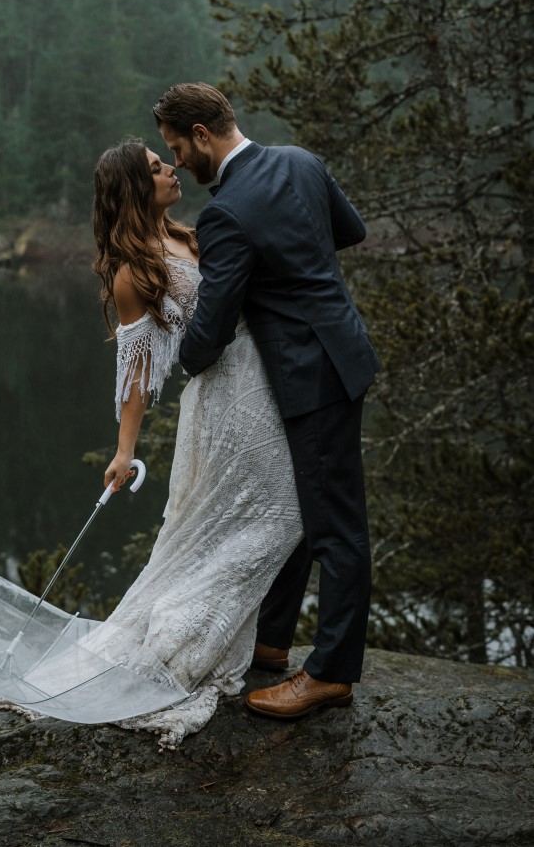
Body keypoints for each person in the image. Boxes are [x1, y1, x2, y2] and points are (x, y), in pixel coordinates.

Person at [153, 81, 380, 721]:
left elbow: (215, 324)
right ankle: (273, 641)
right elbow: (350, 231)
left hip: (310, 374)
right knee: (302, 504)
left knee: (334, 526)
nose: (177, 163)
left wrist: (183, 360)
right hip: (340, 351)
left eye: (177, 147)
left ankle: (331, 673)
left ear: (202, 135)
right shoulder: (302, 161)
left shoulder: (227, 212)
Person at [89, 138, 304, 746]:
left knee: (272, 515)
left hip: (264, 381)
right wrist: (124, 449)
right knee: (283, 513)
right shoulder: (134, 272)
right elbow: (135, 370)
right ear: (135, 186)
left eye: (168, 160)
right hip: (223, 403)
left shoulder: (190, 236)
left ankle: (215, 629)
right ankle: (183, 632)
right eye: (157, 168)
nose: (171, 170)